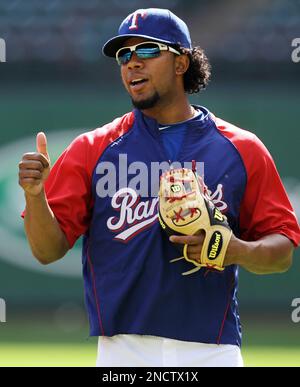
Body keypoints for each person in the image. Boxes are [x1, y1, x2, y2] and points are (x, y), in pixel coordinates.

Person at [19, 8, 300, 367]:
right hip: (122, 355)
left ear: (182, 62)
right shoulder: (92, 149)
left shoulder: (241, 149)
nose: (132, 63)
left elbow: (282, 251)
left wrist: (237, 250)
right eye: (124, 55)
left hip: (213, 353)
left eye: (147, 51)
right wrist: (35, 194)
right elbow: (47, 251)